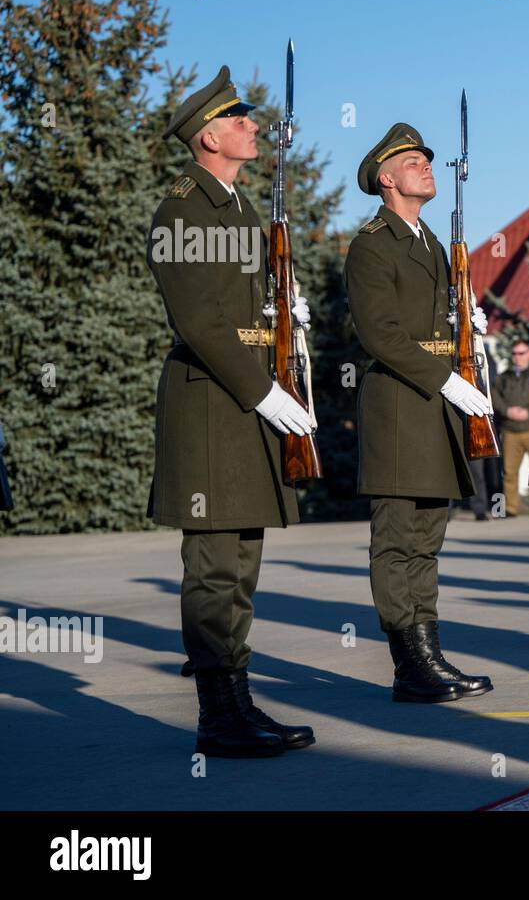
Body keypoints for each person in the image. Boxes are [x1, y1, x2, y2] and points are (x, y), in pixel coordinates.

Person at [147, 66, 315, 757]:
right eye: (240, 118)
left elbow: (246, 312)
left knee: (242, 557)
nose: (254, 125)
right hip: (215, 404)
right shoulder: (181, 210)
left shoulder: (243, 211)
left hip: (244, 399)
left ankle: (239, 701)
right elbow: (201, 322)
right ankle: (218, 716)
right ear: (208, 135)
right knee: (215, 563)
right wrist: (265, 391)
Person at [345, 122, 494, 703]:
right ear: (386, 178)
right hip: (403, 407)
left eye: (427, 159)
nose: (426, 165)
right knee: (398, 538)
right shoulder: (373, 242)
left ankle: (429, 653)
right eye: (412, 161)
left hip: (436, 407)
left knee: (428, 537)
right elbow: (380, 334)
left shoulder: (430, 240)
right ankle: (408, 663)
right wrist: (446, 380)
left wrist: (467, 330)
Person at [491, 339, 529, 516]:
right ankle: (509, 508)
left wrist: (528, 413)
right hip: (510, 431)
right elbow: (494, 398)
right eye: (515, 354)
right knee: (509, 471)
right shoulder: (503, 378)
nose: (518, 357)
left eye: (521, 353)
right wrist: (507, 411)